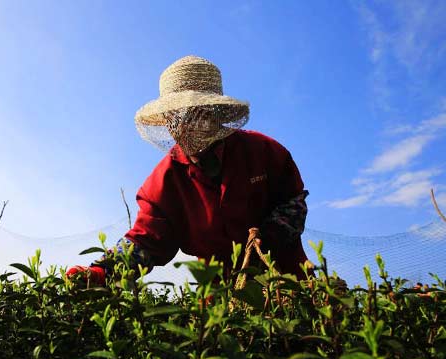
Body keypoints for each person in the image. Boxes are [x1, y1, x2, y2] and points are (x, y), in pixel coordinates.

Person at [66, 55, 311, 287]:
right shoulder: (164, 182)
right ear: (169, 123)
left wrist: (266, 239)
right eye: (177, 117)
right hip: (222, 299)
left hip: (286, 284)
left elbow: (294, 202)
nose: (187, 125)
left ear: (217, 113)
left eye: (199, 113)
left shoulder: (264, 152)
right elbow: (145, 240)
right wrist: (102, 271)